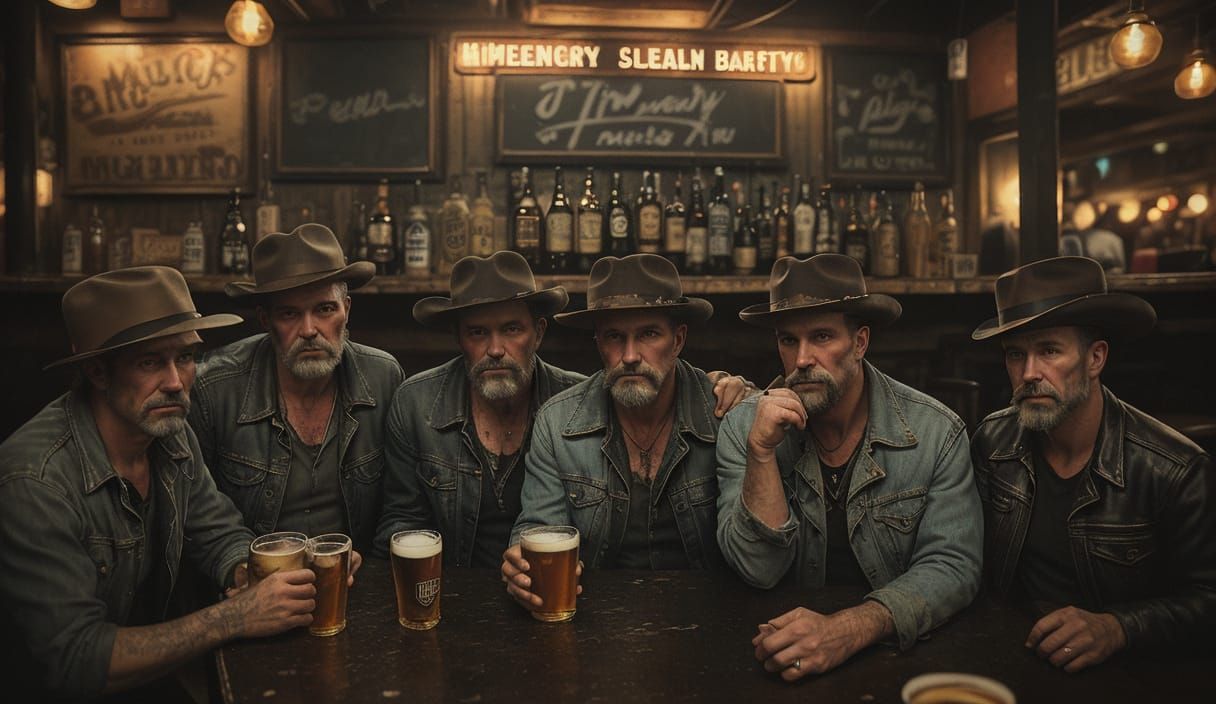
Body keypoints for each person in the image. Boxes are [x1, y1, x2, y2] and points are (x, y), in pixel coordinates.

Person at [0, 267, 318, 700]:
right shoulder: (35, 481)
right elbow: (75, 660)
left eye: (185, 357)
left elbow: (218, 532)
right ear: (97, 370)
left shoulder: (167, 430)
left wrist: (252, 574)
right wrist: (235, 617)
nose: (175, 383)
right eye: (150, 361)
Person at [716, 254, 982, 680]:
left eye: (822, 336)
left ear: (860, 342)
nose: (802, 359)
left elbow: (954, 567)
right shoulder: (744, 429)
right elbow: (758, 571)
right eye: (788, 340)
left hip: (901, 659)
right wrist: (762, 453)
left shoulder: (936, 431)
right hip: (776, 655)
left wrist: (852, 628)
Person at [970, 255, 1215, 672]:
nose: (1029, 373)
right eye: (1015, 354)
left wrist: (1118, 628)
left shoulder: (1173, 468)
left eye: (1049, 350)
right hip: (1012, 657)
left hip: (1127, 675)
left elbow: (1208, 599)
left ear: (1095, 358)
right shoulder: (993, 442)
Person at [502, 254, 753, 612]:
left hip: (709, 620)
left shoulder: (724, 413)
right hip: (595, 620)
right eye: (615, 337)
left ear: (678, 340)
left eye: (649, 334)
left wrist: (753, 405)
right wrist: (521, 563)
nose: (631, 355)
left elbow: (757, 563)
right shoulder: (558, 422)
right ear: (598, 342)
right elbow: (540, 528)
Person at [189, 224, 403, 552]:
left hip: (353, 580)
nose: (308, 330)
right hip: (256, 582)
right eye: (290, 313)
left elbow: (399, 505)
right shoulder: (214, 387)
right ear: (265, 319)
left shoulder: (383, 377)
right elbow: (197, 511)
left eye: (324, 309)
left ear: (346, 308)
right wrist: (245, 571)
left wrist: (371, 566)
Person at [375, 252, 585, 566]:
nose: (496, 350)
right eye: (478, 332)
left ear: (538, 333)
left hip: (546, 587)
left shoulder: (577, 403)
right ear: (458, 338)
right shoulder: (416, 404)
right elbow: (402, 519)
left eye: (512, 329)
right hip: (448, 595)